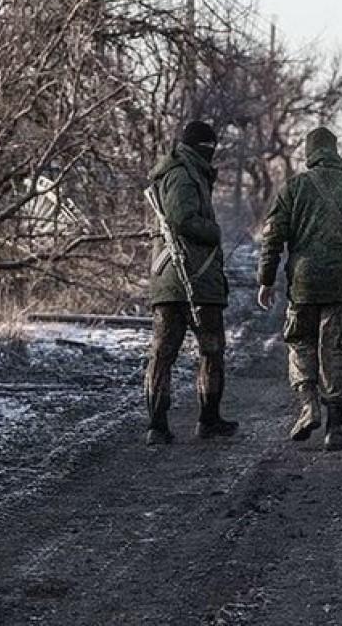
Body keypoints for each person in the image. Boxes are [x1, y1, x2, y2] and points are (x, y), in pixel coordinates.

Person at [256, 126, 342, 451]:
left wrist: (266, 279)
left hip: (302, 283)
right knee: (335, 351)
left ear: (310, 153)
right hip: (340, 284)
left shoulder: (292, 189)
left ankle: (308, 403)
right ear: (336, 151)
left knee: (300, 344)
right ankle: (334, 429)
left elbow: (272, 239)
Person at [144, 120, 238, 445]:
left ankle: (161, 425)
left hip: (173, 280)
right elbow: (182, 219)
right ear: (205, 148)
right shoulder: (184, 174)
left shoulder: (178, 171)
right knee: (209, 350)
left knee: (164, 353)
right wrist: (215, 233)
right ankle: (201, 421)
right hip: (191, 279)